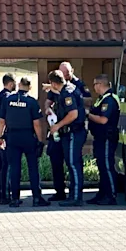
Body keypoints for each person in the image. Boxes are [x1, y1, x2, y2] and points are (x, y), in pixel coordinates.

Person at [0, 77, 50, 208]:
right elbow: (37, 124)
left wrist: (0, 137)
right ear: (30, 87)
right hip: (28, 136)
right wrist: (40, 140)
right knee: (33, 167)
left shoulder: (8, 100)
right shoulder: (31, 102)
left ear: (19, 84)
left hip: (12, 137)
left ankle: (15, 199)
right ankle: (36, 198)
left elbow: (2, 121)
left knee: (14, 168)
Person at [47, 71, 86, 207]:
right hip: (72, 132)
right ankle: (73, 195)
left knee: (73, 164)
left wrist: (57, 126)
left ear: (53, 83)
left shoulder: (67, 93)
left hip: (73, 132)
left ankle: (76, 197)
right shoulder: (69, 88)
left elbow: (73, 114)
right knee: (72, 163)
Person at [86, 74, 121, 205]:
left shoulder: (109, 100)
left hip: (107, 138)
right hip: (100, 138)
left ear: (100, 84)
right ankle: (102, 194)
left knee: (107, 166)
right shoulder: (101, 99)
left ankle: (111, 195)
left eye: (95, 84)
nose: (94, 87)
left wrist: (88, 115)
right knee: (101, 167)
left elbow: (103, 120)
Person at [0, 76, 16, 205]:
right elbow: (4, 118)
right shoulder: (7, 97)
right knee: (6, 164)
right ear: (10, 83)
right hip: (3, 133)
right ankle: (5, 195)